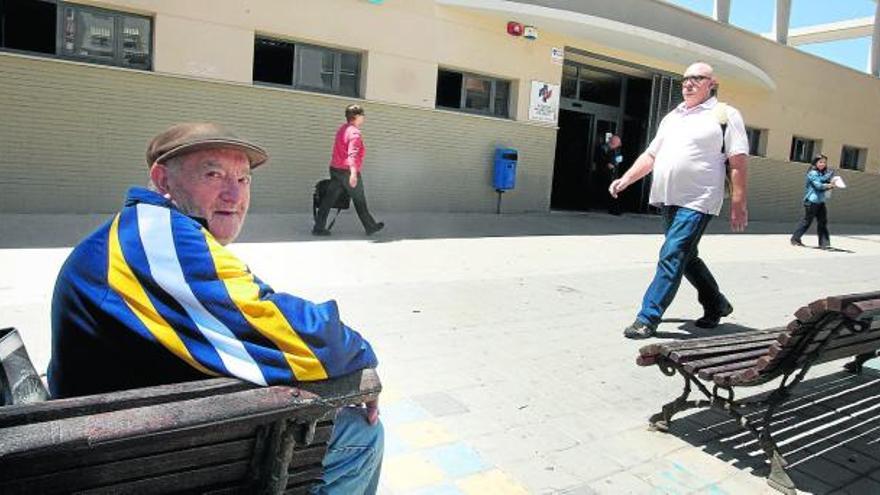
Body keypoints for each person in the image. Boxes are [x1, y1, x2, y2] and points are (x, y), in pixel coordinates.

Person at [48, 123, 383, 494]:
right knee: (360, 433)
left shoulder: (141, 233)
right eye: (214, 174)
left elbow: (248, 311)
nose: (233, 193)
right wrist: (360, 354)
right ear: (163, 180)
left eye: (243, 179)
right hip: (125, 465)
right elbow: (303, 340)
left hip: (119, 447)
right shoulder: (156, 236)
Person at [609, 62, 749, 339]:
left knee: (672, 254)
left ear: (712, 83)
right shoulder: (673, 116)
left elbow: (738, 161)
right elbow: (651, 155)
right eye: (685, 79)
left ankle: (647, 317)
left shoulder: (725, 115)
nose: (688, 83)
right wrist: (625, 179)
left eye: (697, 78)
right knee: (686, 256)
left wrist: (738, 203)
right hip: (669, 199)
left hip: (700, 199)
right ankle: (716, 303)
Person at [313, 104, 384, 236]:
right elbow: (353, 154)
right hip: (347, 171)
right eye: (362, 115)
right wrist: (353, 174)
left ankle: (319, 227)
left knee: (328, 199)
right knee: (359, 200)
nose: (363, 118)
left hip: (335, 169)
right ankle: (370, 226)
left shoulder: (342, 129)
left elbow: (337, 150)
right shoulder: (355, 133)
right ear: (356, 117)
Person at [790, 154, 835, 249]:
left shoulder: (822, 174)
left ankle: (824, 243)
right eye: (820, 162)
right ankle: (795, 239)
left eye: (824, 162)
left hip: (820, 201)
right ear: (815, 162)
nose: (823, 164)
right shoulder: (812, 173)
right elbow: (818, 185)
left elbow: (823, 181)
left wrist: (830, 179)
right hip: (811, 201)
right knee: (807, 221)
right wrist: (829, 185)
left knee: (823, 222)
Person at [597, 134, 624, 215]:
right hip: (604, 173)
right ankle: (613, 209)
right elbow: (601, 160)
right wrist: (610, 163)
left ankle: (614, 209)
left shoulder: (616, 150)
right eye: (618, 143)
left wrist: (614, 163)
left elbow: (619, 159)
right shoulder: (603, 148)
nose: (619, 145)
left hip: (612, 174)